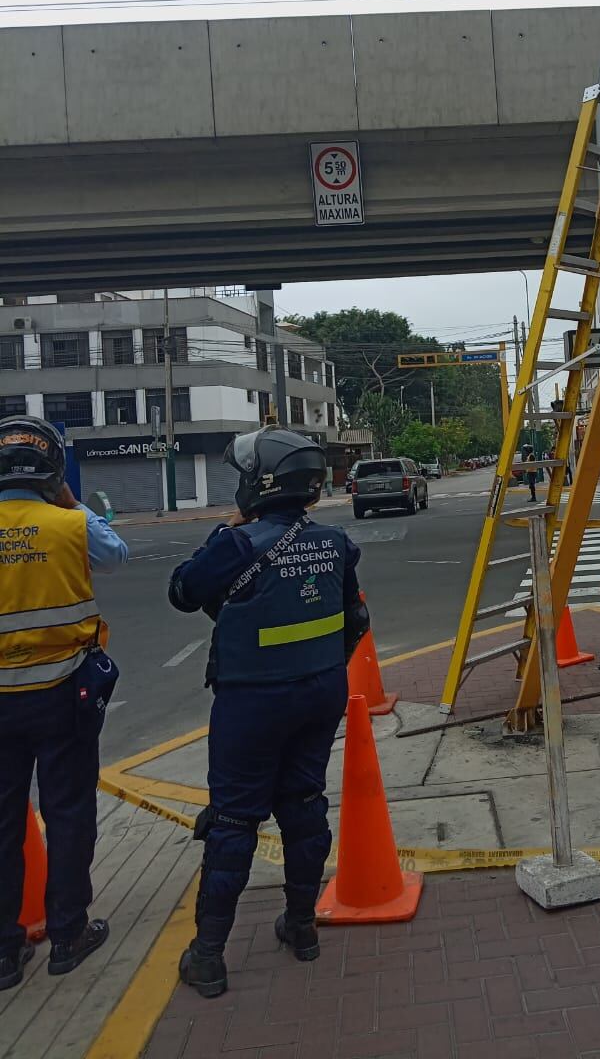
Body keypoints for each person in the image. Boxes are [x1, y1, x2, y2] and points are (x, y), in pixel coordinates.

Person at [168, 427, 369, 998]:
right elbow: (356, 620)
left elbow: (183, 592)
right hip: (320, 693)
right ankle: (302, 928)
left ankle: (209, 957)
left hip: (252, 701)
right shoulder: (334, 542)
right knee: (304, 803)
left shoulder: (237, 544)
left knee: (234, 819)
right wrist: (319, 668)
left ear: (260, 484)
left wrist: (221, 533)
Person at [0, 416, 128, 992]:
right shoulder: (71, 523)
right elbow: (116, 556)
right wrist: (74, 505)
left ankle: (4, 953)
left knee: (2, 824)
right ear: (53, 469)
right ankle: (68, 935)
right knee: (69, 813)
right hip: (63, 695)